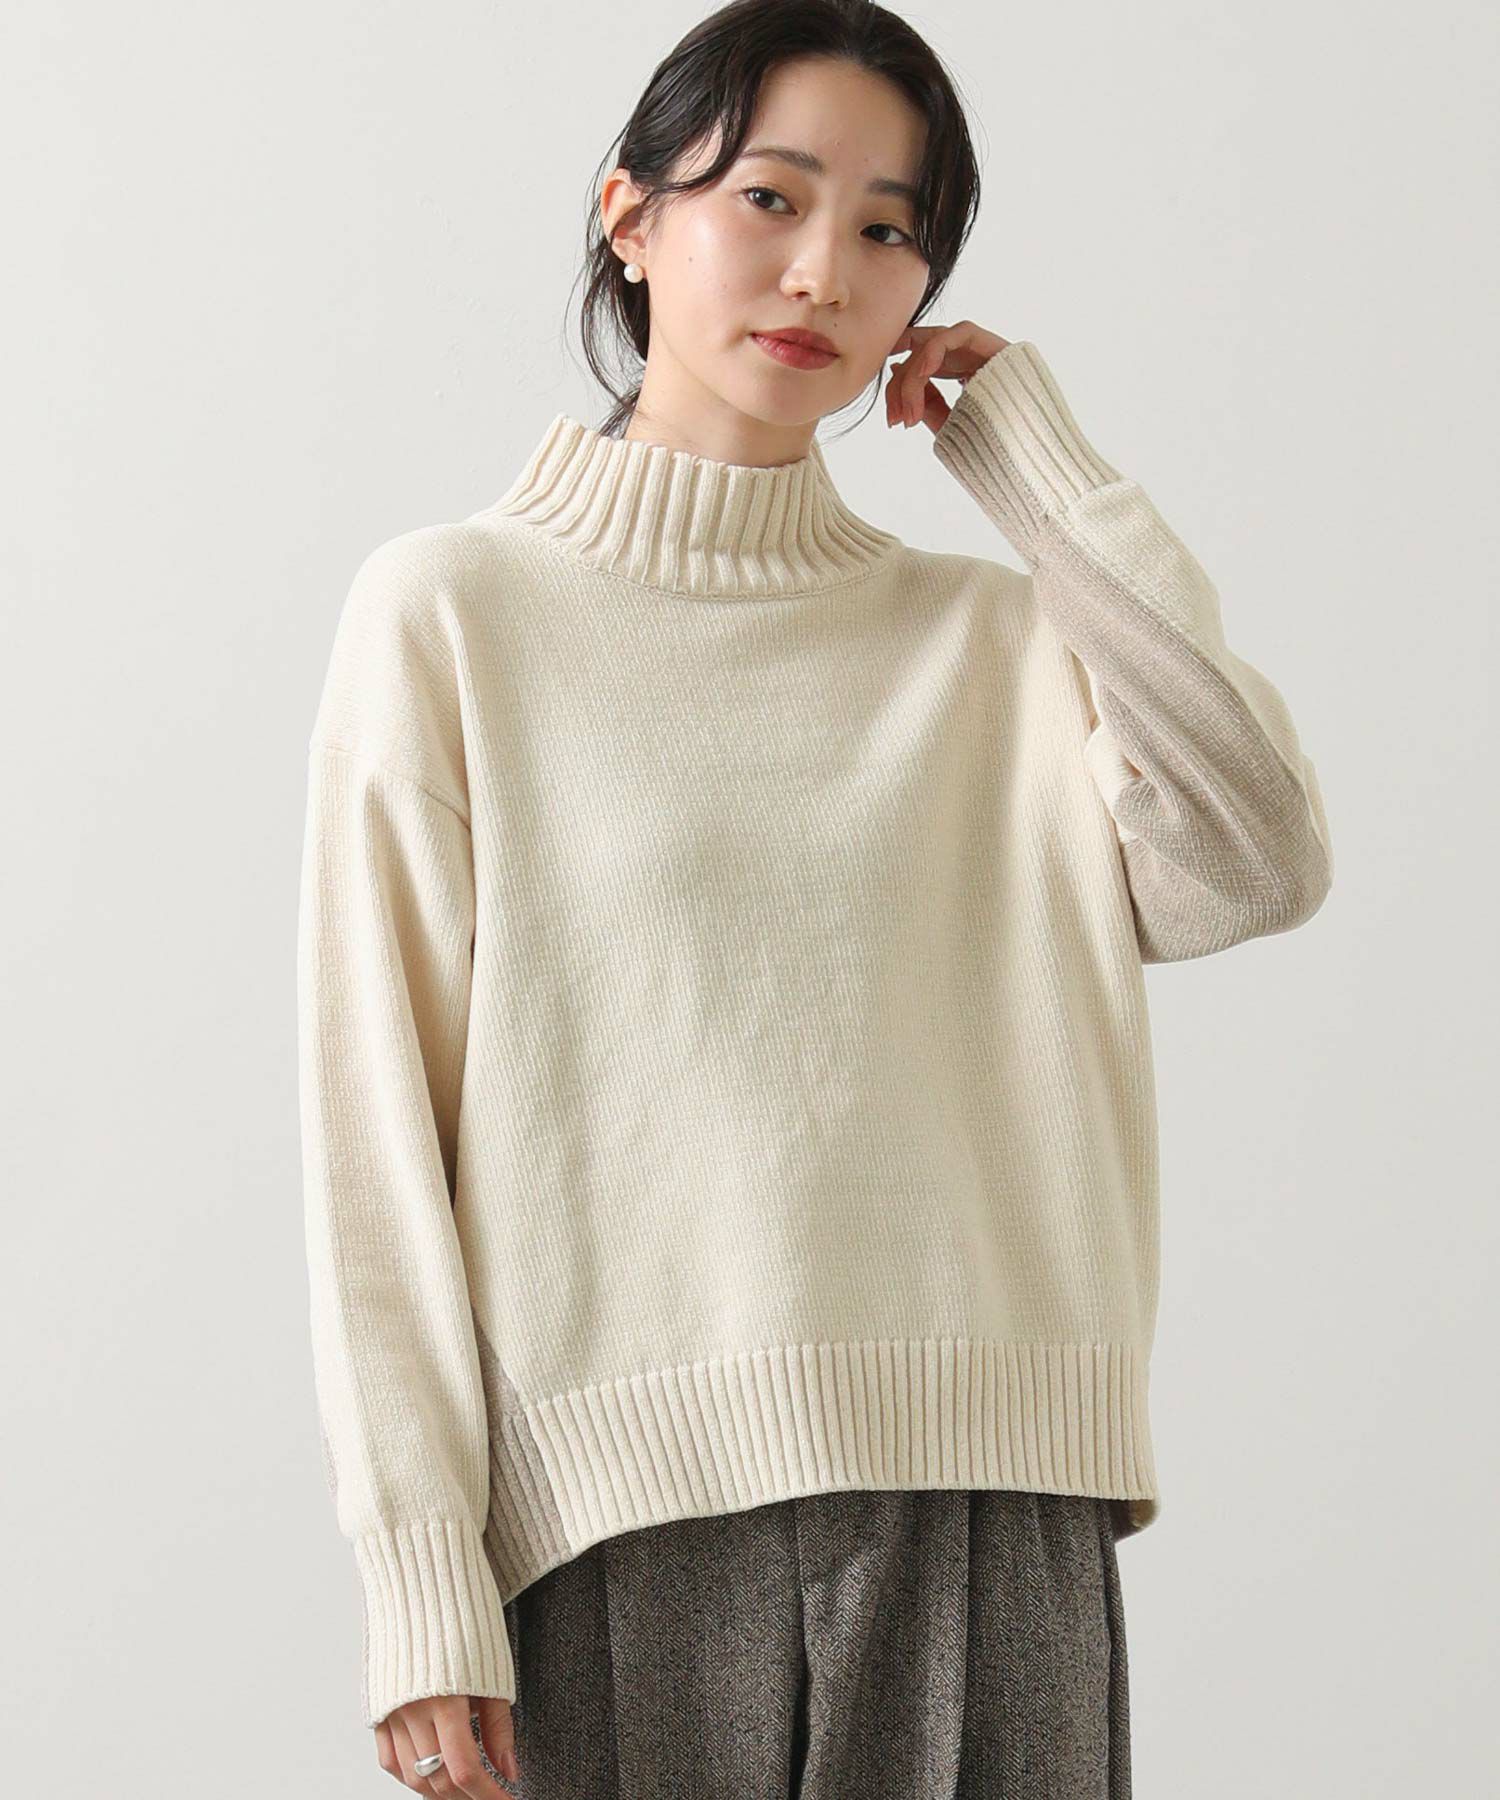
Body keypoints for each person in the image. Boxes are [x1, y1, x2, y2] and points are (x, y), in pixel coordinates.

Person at [295, 1, 1334, 1793]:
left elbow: (1257, 856)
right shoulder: (455, 615)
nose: (821, 272)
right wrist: (420, 1582)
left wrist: (1038, 469)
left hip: (996, 1508)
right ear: (632, 216)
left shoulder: (997, 643)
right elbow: (376, 1138)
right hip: (624, 1531)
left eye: (886, 228)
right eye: (769, 197)